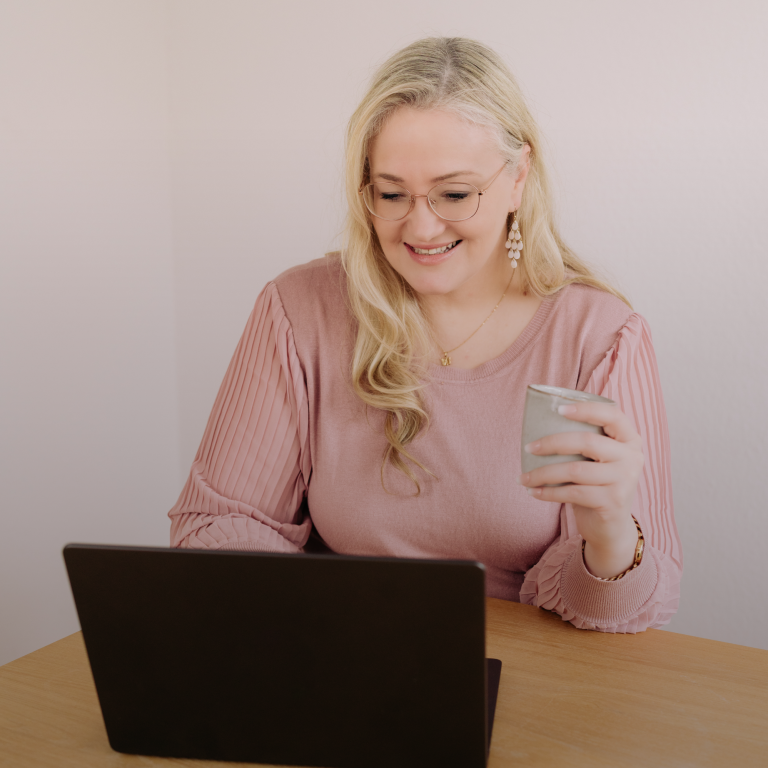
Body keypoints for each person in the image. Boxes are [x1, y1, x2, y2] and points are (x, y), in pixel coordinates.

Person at [169, 37, 682, 633]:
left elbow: (627, 614)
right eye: (391, 193)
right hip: (340, 657)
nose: (420, 225)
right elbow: (213, 529)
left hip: (530, 680)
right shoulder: (298, 309)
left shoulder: (600, 337)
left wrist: (612, 531)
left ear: (519, 176)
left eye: (455, 194)